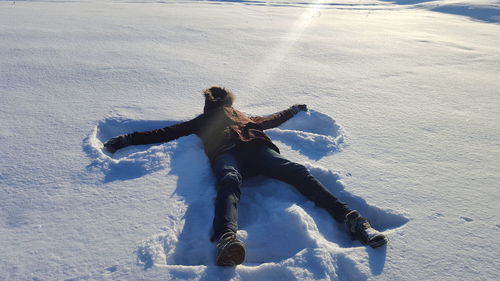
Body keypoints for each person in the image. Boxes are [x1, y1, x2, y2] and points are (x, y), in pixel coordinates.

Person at [103, 86, 388, 266]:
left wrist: (292, 110)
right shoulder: (202, 120)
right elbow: (166, 132)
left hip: (257, 150)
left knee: (297, 171)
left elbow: (271, 119)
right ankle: (228, 238)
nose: (220, 105)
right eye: (216, 101)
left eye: (221, 100)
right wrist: (127, 139)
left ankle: (353, 221)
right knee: (228, 179)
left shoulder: (244, 117)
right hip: (226, 154)